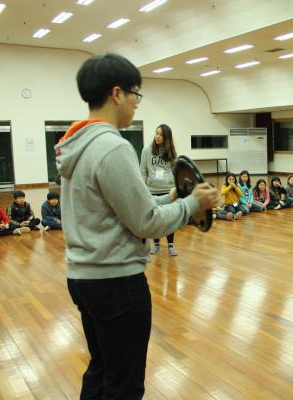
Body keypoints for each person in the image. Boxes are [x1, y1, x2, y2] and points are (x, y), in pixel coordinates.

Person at [54, 53, 219, 400]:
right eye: (135, 94)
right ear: (117, 93)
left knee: (101, 370)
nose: (136, 103)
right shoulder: (112, 146)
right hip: (116, 283)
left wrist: (173, 196)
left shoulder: (77, 144)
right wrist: (193, 205)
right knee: (124, 386)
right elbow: (146, 223)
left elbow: (123, 207)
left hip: (84, 278)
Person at [140, 124, 179, 256]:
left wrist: (175, 188)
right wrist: (143, 190)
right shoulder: (146, 150)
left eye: (161, 135)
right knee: (155, 219)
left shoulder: (171, 152)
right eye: (156, 133)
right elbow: (143, 171)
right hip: (151, 190)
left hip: (168, 191)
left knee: (169, 219)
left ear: (167, 138)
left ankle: (170, 245)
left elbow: (176, 171)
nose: (157, 136)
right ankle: (156, 244)